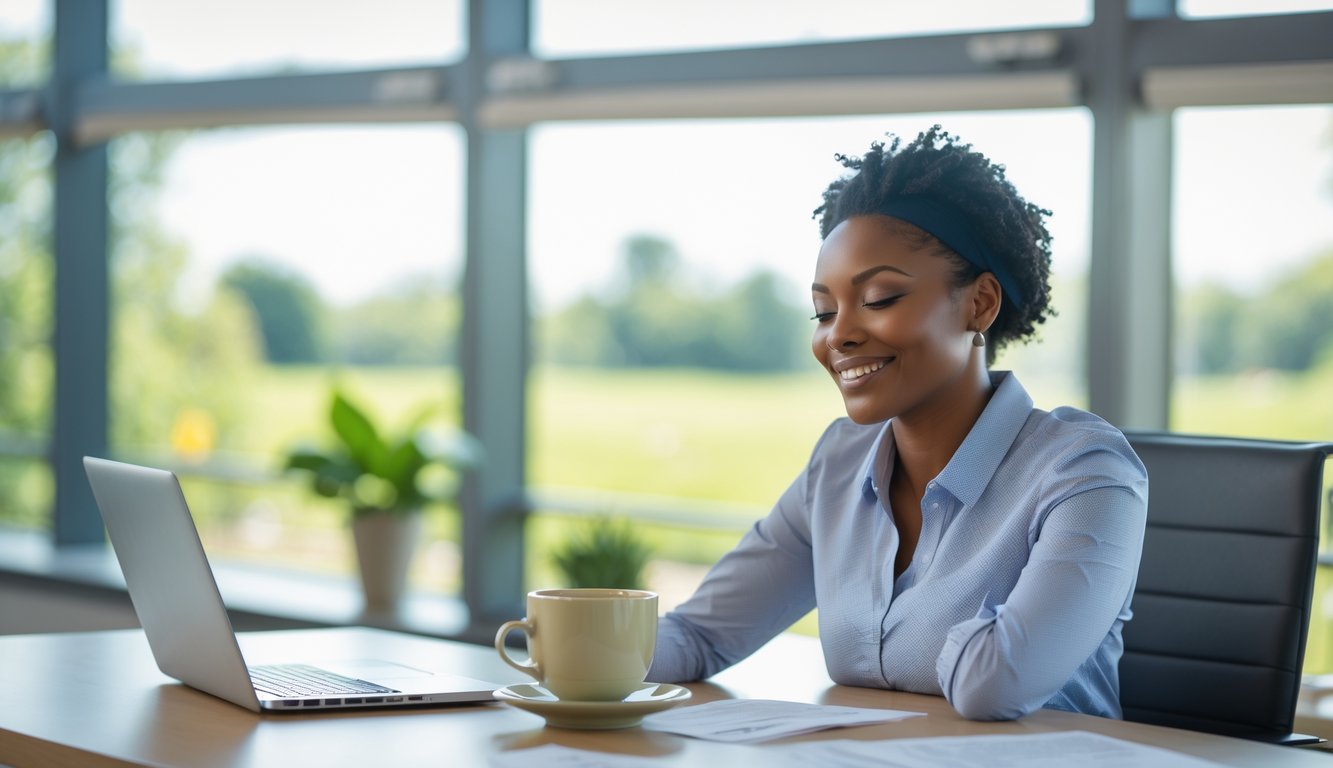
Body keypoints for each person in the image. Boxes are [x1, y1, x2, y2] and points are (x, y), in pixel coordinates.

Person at [646, 126, 1148, 721]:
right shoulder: (839, 462)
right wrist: (570, 641)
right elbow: (700, 636)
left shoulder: (1085, 472)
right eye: (823, 311)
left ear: (980, 304)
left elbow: (996, 685)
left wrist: (933, 625)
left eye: (880, 299)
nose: (839, 335)